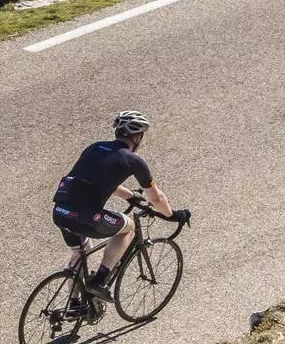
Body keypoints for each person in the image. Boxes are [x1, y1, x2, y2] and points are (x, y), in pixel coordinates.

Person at [52, 111, 187, 304]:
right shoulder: (132, 160)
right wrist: (172, 215)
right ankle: (99, 281)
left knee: (81, 251)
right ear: (138, 136)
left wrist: (131, 196)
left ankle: (73, 305)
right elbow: (157, 198)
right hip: (86, 215)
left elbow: (100, 181)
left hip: (61, 211)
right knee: (128, 228)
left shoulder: (95, 147)